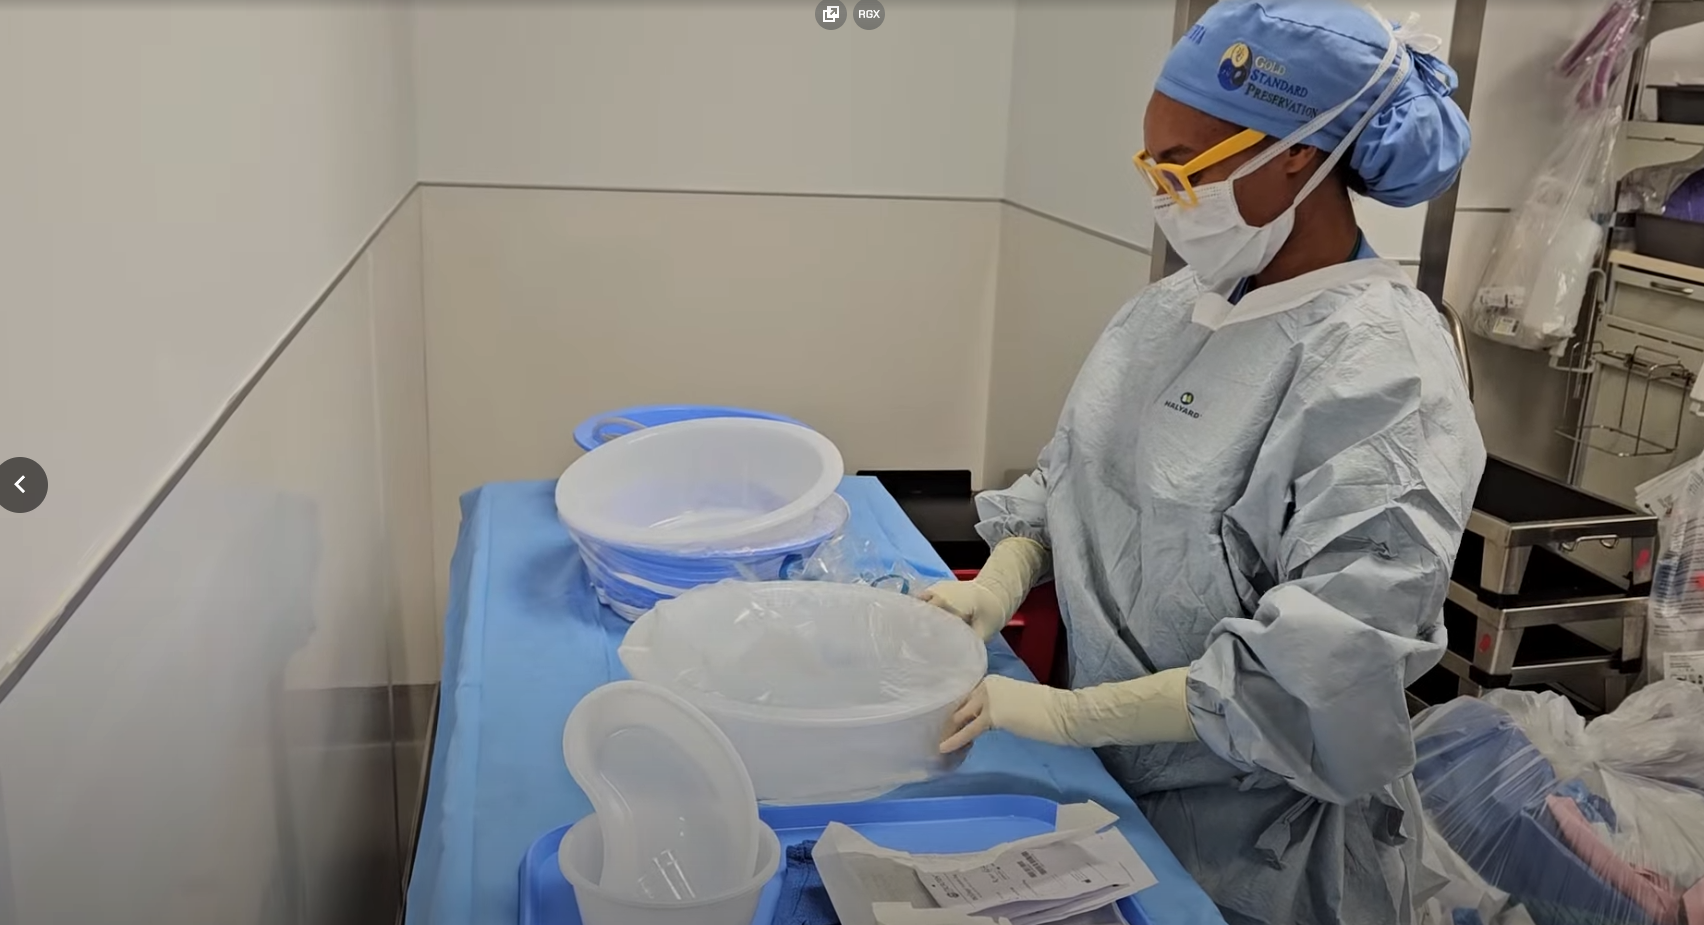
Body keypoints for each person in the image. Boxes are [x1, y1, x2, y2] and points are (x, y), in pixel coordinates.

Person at [924, 3, 1487, 924]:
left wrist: (1067, 717)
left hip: (1255, 851)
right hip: (1108, 799)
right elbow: (1074, 479)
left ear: (1299, 154)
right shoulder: (1171, 309)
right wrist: (996, 582)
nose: (1162, 196)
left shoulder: (1386, 374)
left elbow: (1323, 670)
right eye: (1150, 167)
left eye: (1184, 169)